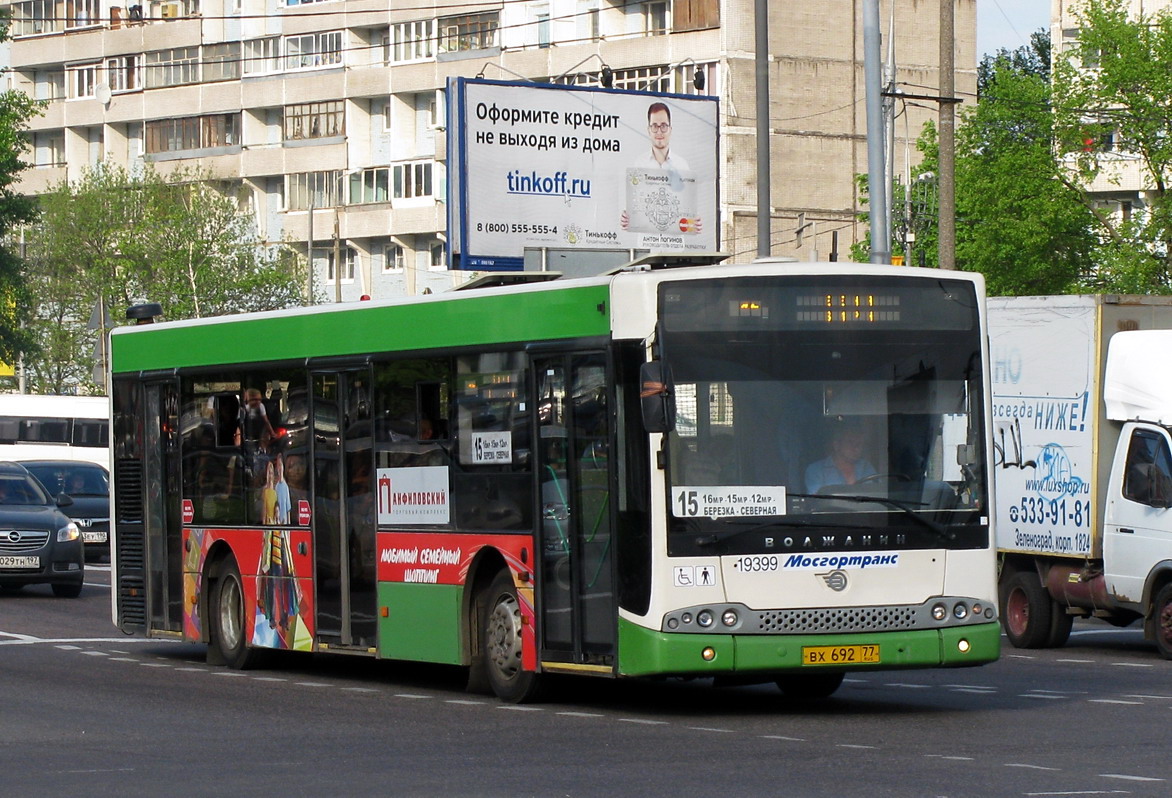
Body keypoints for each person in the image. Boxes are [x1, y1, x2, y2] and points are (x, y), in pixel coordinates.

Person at [620, 101, 702, 233]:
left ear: (670, 129)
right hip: (647, 244)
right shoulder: (639, 165)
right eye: (654, 126)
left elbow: (688, 207)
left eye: (663, 126)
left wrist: (695, 222)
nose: (659, 131)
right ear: (648, 130)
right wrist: (626, 217)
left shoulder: (682, 166)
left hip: (674, 245)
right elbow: (632, 206)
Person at [805, 422, 877, 494]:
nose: (856, 448)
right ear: (837, 445)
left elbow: (876, 494)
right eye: (850, 442)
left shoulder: (866, 467)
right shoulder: (816, 470)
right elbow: (816, 500)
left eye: (859, 444)